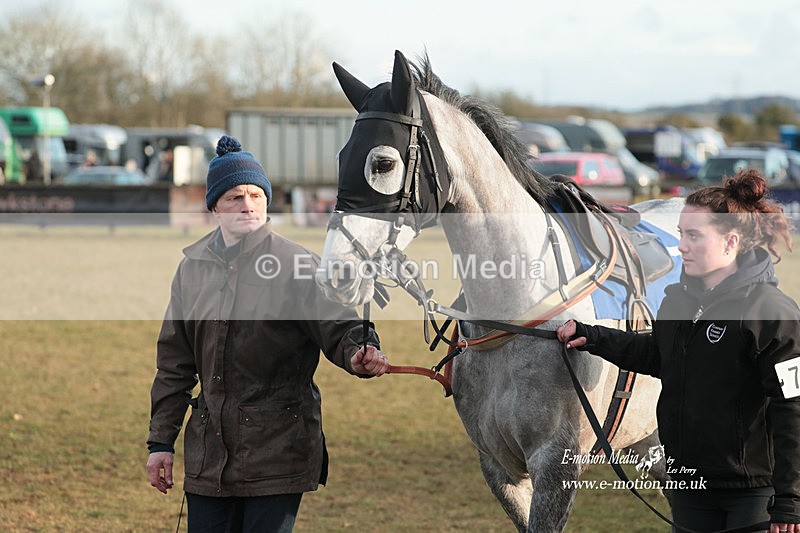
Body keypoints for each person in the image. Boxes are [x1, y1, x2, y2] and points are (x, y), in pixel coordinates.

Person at [146, 135, 390, 532]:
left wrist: (360, 351)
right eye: (234, 197)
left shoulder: (297, 265)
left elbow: (340, 325)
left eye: (256, 195)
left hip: (278, 453)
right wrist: (160, 444)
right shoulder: (191, 270)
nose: (247, 205)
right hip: (209, 456)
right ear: (214, 207)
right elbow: (174, 365)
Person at [557, 168, 800, 533]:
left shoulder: (772, 312)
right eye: (681, 234)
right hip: (688, 489)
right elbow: (658, 355)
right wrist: (593, 336)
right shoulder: (678, 302)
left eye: (694, 236)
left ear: (730, 242)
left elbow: (793, 409)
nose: (682, 245)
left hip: (754, 498)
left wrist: (791, 501)